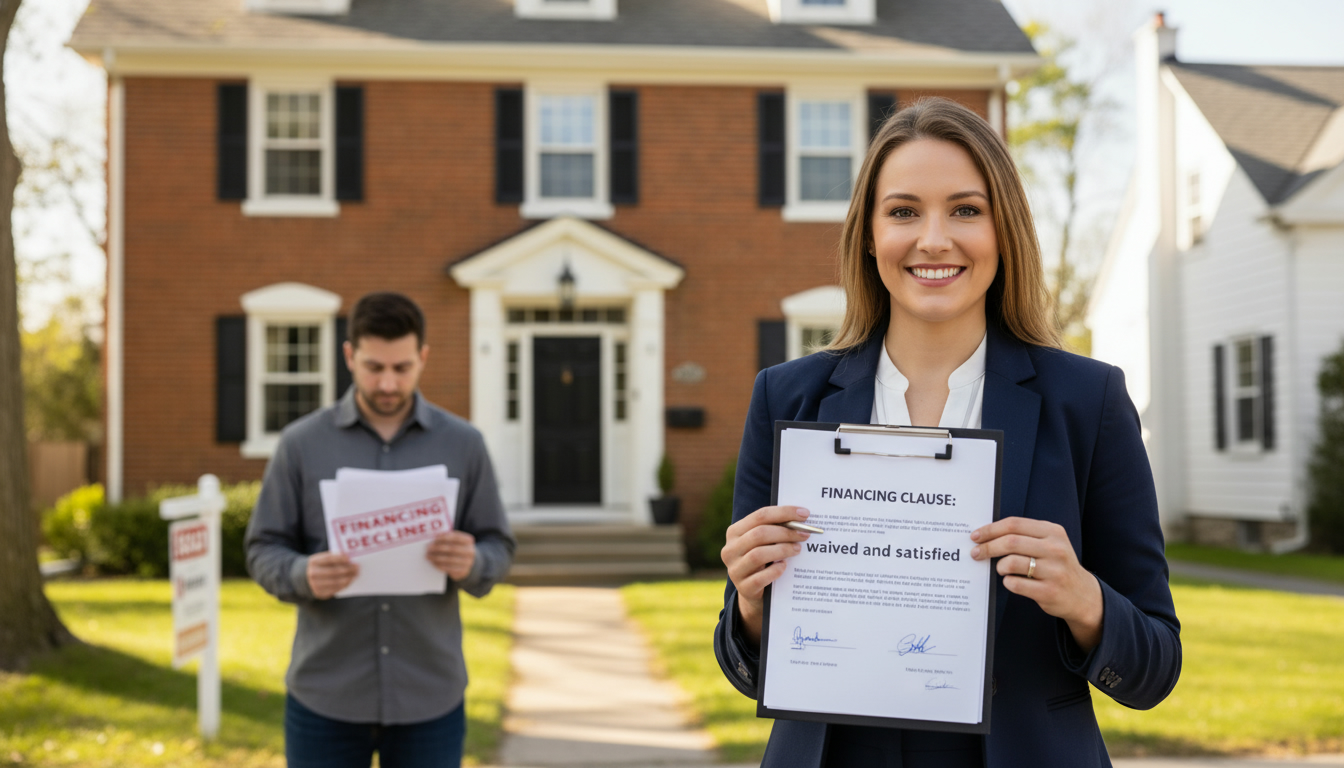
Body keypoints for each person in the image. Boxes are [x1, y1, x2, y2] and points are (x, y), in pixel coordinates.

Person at [712, 98, 1181, 767]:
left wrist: (1086, 600)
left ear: (1003, 231)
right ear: (870, 235)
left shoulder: (1088, 401)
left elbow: (1155, 666)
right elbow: (747, 666)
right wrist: (753, 605)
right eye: (904, 211)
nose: (934, 238)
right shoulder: (788, 398)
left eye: (966, 209)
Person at [245, 291, 515, 768]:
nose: (388, 383)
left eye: (402, 368)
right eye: (374, 367)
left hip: (429, 695)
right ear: (349, 355)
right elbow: (263, 547)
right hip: (325, 694)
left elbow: (499, 545)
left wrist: (474, 563)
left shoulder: (464, 444)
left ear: (423, 358)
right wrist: (301, 573)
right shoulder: (302, 444)